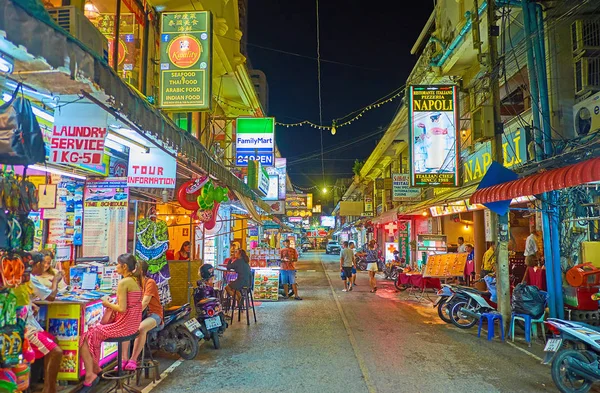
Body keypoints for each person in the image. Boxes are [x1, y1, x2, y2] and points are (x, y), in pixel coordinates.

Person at [79, 254, 142, 392]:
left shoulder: (123, 282)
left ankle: (92, 371)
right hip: (132, 325)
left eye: (118, 264)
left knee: (87, 335)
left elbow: (122, 308)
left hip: (124, 326)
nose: (116, 267)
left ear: (124, 266)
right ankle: (94, 368)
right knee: (92, 332)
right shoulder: (134, 280)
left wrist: (107, 303)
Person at [26, 252, 64, 393]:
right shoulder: (29, 279)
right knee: (56, 351)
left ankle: (46, 385)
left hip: (30, 323)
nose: (45, 266)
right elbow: (51, 296)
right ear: (36, 265)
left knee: (54, 341)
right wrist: (55, 281)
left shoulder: (28, 278)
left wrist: (30, 305)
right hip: (26, 327)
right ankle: (49, 389)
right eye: (43, 263)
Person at [120, 260, 163, 371]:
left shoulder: (150, 283)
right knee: (125, 327)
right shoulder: (133, 283)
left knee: (141, 328)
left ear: (141, 271)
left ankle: (133, 359)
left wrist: (132, 315)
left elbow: (144, 303)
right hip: (138, 315)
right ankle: (124, 359)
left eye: (134, 269)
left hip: (154, 315)